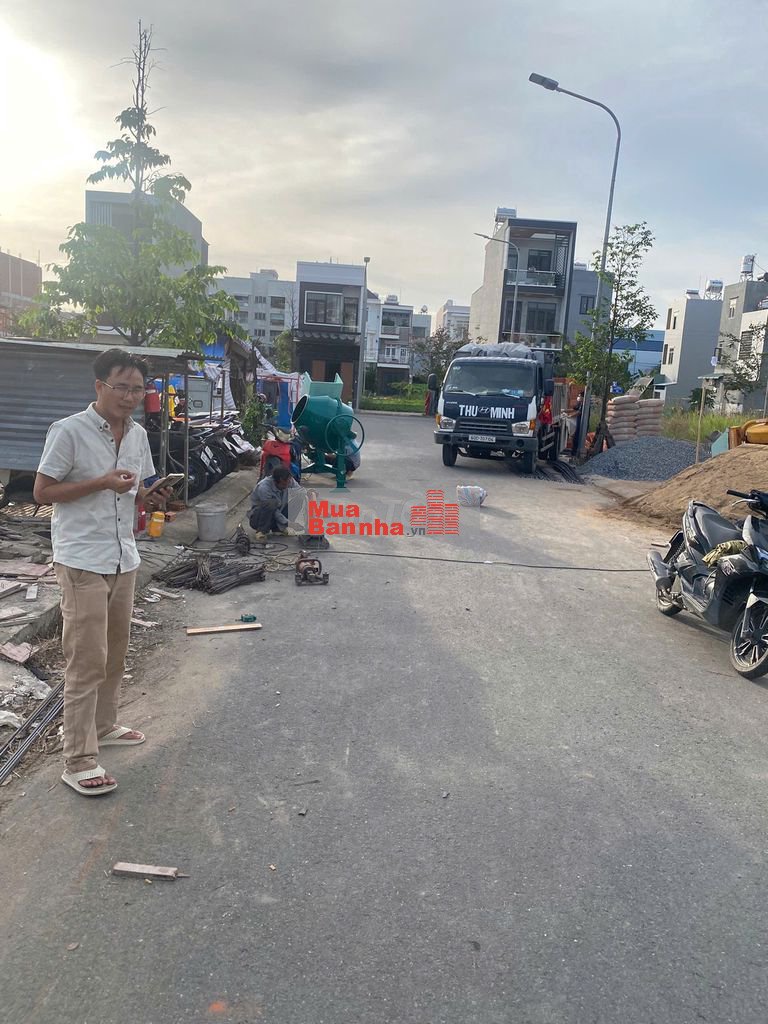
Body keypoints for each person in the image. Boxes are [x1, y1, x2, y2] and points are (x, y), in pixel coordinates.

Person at [33, 348, 171, 797]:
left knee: (114, 652)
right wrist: (102, 482)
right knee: (86, 659)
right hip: (82, 559)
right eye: (121, 387)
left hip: (123, 557)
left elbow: (136, 490)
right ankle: (78, 758)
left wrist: (150, 496)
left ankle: (105, 725)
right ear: (99, 386)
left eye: (138, 389)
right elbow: (42, 492)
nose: (130, 397)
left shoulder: (138, 435)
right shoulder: (69, 430)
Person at [249, 464, 304, 540]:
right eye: (284, 484)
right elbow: (275, 512)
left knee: (299, 498)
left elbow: (300, 491)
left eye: (288, 483)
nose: (287, 486)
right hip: (259, 518)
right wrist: (289, 523)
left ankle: (278, 529)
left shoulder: (289, 481)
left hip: (277, 513)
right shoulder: (264, 487)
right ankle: (261, 531)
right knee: (271, 503)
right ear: (276, 481)